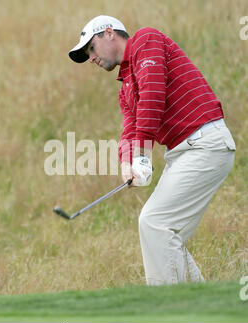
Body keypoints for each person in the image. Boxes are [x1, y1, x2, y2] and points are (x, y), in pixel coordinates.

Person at [68, 15, 236, 285]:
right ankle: (204, 304)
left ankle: (165, 309)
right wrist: (127, 164)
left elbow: (153, 96)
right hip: (185, 152)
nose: (91, 58)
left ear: (109, 33)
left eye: (91, 48)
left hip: (205, 143)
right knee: (167, 235)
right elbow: (129, 130)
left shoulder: (147, 40)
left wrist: (142, 156)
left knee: (155, 223)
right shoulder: (126, 90)